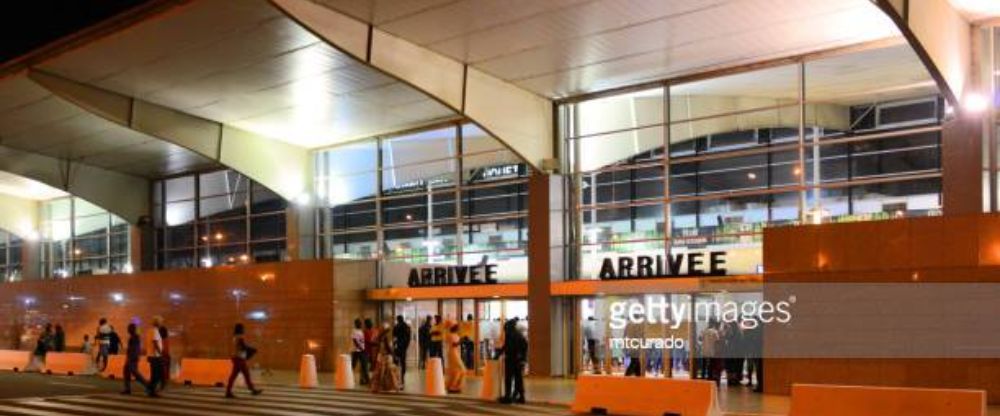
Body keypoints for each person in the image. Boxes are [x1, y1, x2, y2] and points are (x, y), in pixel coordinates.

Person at [225, 323, 262, 398]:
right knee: (246, 374)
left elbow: (242, 347)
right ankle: (252, 390)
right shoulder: (239, 337)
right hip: (240, 359)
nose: (244, 329)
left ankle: (228, 392)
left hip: (236, 358)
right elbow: (243, 347)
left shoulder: (235, 337)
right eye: (243, 328)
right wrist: (252, 349)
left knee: (233, 375)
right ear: (240, 329)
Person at [495, 318, 526, 404]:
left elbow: (506, 346)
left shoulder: (510, 334)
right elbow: (524, 346)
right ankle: (521, 397)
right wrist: (523, 358)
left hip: (510, 360)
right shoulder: (519, 334)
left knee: (508, 378)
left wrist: (498, 354)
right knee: (518, 378)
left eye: (505, 328)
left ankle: (507, 397)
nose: (505, 331)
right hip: (518, 360)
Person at [121, 323, 156, 397]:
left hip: (132, 358)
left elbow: (134, 349)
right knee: (126, 372)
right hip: (132, 357)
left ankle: (148, 385)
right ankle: (127, 389)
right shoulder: (134, 337)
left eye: (129, 328)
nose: (128, 330)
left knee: (136, 374)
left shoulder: (134, 337)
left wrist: (131, 357)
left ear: (132, 329)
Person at [371, 322, 400, 393]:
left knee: (379, 371)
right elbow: (388, 348)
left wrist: (375, 356)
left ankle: (377, 387)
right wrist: (394, 355)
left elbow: (376, 346)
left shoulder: (379, 336)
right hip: (386, 356)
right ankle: (390, 386)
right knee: (389, 372)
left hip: (380, 355)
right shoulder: (386, 337)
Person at [444, 324, 465, 393]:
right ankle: (453, 386)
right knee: (461, 369)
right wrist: (461, 341)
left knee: (456, 370)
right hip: (453, 353)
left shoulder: (456, 335)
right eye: (458, 328)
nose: (459, 330)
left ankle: (453, 386)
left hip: (456, 353)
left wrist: (460, 340)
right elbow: (454, 344)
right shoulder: (450, 335)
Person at [700, 320, 721, 385]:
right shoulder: (715, 332)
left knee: (704, 364)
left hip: (704, 350)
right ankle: (709, 377)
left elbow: (700, 339)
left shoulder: (704, 331)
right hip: (711, 350)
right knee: (710, 365)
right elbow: (717, 341)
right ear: (714, 324)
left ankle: (703, 376)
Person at [392, 315, 411, 385]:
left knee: (396, 362)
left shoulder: (396, 327)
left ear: (398, 319)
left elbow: (394, 337)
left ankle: (396, 375)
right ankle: (402, 376)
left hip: (398, 347)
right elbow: (408, 338)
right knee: (403, 362)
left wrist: (394, 345)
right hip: (403, 347)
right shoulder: (406, 327)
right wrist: (406, 346)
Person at [147, 316, 165, 392]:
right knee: (156, 374)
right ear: (158, 323)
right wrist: (161, 353)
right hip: (156, 356)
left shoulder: (150, 331)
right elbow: (155, 343)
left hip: (152, 355)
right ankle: (151, 389)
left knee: (155, 373)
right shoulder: (155, 331)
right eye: (161, 322)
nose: (162, 323)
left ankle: (152, 389)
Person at [351, 318, 369, 385]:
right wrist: (361, 348)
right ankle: (349, 377)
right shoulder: (354, 331)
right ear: (356, 324)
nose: (360, 324)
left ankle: (366, 380)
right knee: (353, 365)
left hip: (361, 350)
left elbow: (362, 340)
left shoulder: (360, 331)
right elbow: (355, 341)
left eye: (361, 323)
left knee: (364, 365)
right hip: (356, 351)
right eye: (359, 323)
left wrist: (363, 348)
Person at [157, 325, 171, 391]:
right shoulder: (165, 339)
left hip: (164, 357)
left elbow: (165, 350)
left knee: (163, 372)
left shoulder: (163, 340)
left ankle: (163, 385)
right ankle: (163, 384)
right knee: (164, 372)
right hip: (165, 356)